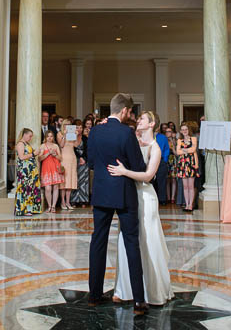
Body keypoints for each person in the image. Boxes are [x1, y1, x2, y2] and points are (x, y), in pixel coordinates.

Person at [87, 93, 148, 316]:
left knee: (98, 241)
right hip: (124, 193)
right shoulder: (126, 133)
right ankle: (139, 301)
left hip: (102, 191)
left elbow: (91, 162)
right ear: (124, 111)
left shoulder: (95, 130)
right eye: (130, 112)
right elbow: (139, 166)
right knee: (132, 243)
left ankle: (94, 295)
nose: (130, 115)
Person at [108, 111, 173, 306]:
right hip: (128, 195)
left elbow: (148, 176)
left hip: (145, 196)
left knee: (147, 240)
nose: (138, 121)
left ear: (152, 124)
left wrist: (124, 172)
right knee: (125, 240)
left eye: (143, 119)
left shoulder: (155, 148)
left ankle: (152, 290)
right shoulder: (132, 142)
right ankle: (124, 289)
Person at [14, 128, 43, 217]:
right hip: (24, 171)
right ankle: (24, 209)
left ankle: (32, 208)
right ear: (24, 135)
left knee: (31, 188)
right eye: (30, 136)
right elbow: (22, 157)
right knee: (25, 188)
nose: (30, 138)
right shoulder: (20, 144)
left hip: (31, 170)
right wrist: (34, 154)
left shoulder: (27, 144)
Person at [176, 122, 199, 212]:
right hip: (183, 164)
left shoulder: (193, 138)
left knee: (191, 185)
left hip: (191, 163)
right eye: (183, 130)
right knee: (185, 186)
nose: (184, 131)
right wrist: (187, 151)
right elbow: (178, 152)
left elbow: (193, 149)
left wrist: (183, 150)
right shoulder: (179, 140)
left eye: (186, 129)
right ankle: (186, 204)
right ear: (181, 131)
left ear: (188, 130)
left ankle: (190, 205)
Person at [38, 130, 63, 213]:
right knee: (48, 188)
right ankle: (49, 205)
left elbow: (60, 158)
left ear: (53, 137)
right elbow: (39, 158)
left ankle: (53, 206)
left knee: (56, 187)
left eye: (51, 136)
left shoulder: (56, 146)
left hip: (55, 167)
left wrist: (55, 155)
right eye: (48, 136)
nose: (49, 138)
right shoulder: (42, 146)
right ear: (45, 137)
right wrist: (48, 153)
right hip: (46, 168)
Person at [58, 118, 77, 210]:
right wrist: (65, 135)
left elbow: (76, 145)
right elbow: (61, 145)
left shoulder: (72, 134)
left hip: (72, 158)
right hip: (64, 158)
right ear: (63, 126)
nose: (67, 126)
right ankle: (62, 201)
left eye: (69, 125)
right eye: (66, 125)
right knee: (64, 181)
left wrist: (77, 135)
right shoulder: (59, 134)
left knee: (70, 180)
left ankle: (68, 201)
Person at [70, 119, 90, 206]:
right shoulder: (71, 137)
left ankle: (83, 200)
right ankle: (74, 200)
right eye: (77, 127)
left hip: (84, 161)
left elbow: (87, 149)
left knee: (84, 181)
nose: (79, 129)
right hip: (74, 160)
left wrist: (83, 158)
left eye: (81, 127)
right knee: (75, 180)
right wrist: (80, 157)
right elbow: (71, 149)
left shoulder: (85, 138)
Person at [154, 120, 169, 205]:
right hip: (150, 162)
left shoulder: (163, 137)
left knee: (162, 181)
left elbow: (166, 149)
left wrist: (165, 160)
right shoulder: (149, 136)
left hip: (161, 161)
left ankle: (162, 199)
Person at [165, 127, 178, 204]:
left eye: (169, 131)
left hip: (173, 160)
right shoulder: (164, 140)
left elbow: (176, 152)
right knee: (167, 179)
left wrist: (173, 144)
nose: (168, 133)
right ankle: (168, 197)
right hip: (166, 160)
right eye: (166, 131)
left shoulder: (175, 141)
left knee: (173, 179)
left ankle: (173, 197)